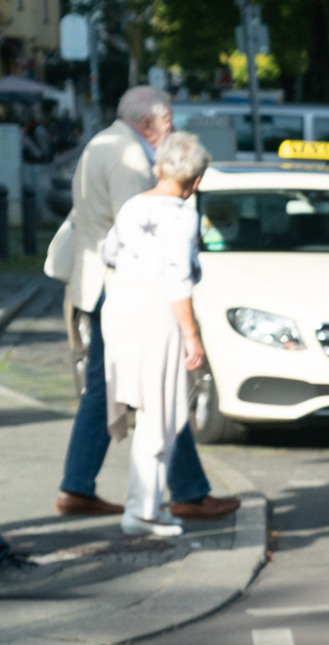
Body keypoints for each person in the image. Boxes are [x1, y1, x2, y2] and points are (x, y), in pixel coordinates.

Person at [42, 87, 237, 523]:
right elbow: (150, 236)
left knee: (109, 391)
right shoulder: (132, 159)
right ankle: (183, 493)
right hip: (132, 294)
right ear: (148, 122)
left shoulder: (101, 142)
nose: (171, 128)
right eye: (167, 120)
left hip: (100, 283)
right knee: (159, 393)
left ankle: (79, 486)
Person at [100, 130, 212, 539]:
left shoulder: (133, 205)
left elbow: (109, 252)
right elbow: (178, 279)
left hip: (121, 306)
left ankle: (146, 505)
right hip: (156, 311)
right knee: (161, 413)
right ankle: (142, 510)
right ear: (196, 180)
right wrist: (192, 336)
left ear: (159, 166)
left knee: (148, 411)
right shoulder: (183, 216)